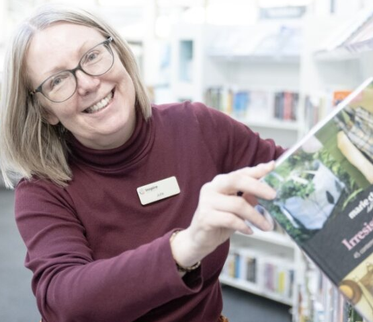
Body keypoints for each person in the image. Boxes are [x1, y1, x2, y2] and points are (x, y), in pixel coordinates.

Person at [0, 4, 285, 322]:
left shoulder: (198, 127)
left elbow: (291, 173)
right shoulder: (42, 189)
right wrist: (186, 246)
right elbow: (67, 301)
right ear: (45, 111)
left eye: (92, 55)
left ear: (119, 53)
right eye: (57, 81)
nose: (88, 83)